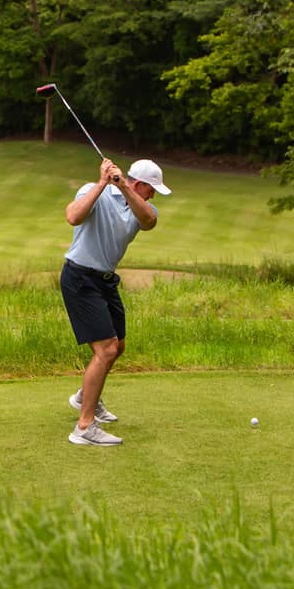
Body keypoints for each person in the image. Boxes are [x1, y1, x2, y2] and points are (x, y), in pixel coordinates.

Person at [61, 158, 170, 447]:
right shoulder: (91, 190)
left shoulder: (142, 208)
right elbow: (73, 217)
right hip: (80, 278)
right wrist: (102, 183)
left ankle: (86, 397)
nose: (154, 195)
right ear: (141, 183)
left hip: (106, 281)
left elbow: (149, 221)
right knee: (106, 349)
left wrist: (124, 188)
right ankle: (84, 427)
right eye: (152, 189)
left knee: (117, 346)